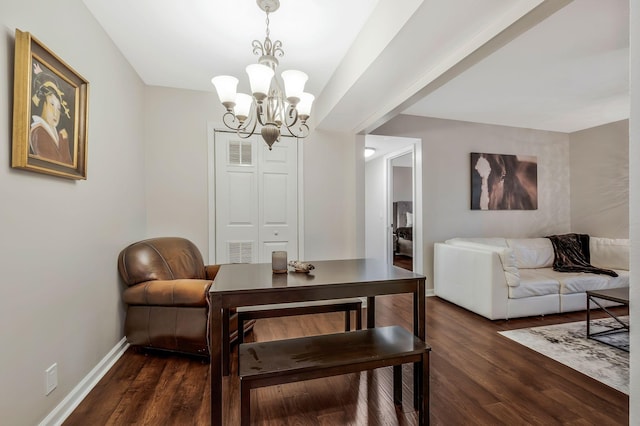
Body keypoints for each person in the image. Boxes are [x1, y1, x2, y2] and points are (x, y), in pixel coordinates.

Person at [30, 70, 73, 165]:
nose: (55, 113)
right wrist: (63, 142)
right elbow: (56, 164)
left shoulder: (52, 130)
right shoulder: (39, 132)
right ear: (43, 103)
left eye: (58, 108)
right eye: (52, 104)